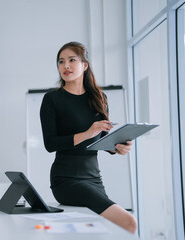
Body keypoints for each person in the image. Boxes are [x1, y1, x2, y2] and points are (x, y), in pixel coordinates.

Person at [40, 41, 137, 234]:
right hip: (66, 179)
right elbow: (50, 144)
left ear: (84, 65)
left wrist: (116, 147)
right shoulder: (52, 99)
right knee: (129, 222)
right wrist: (87, 133)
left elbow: (101, 139)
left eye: (71, 60)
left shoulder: (99, 98)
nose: (65, 65)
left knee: (104, 231)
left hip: (94, 177)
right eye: (61, 61)